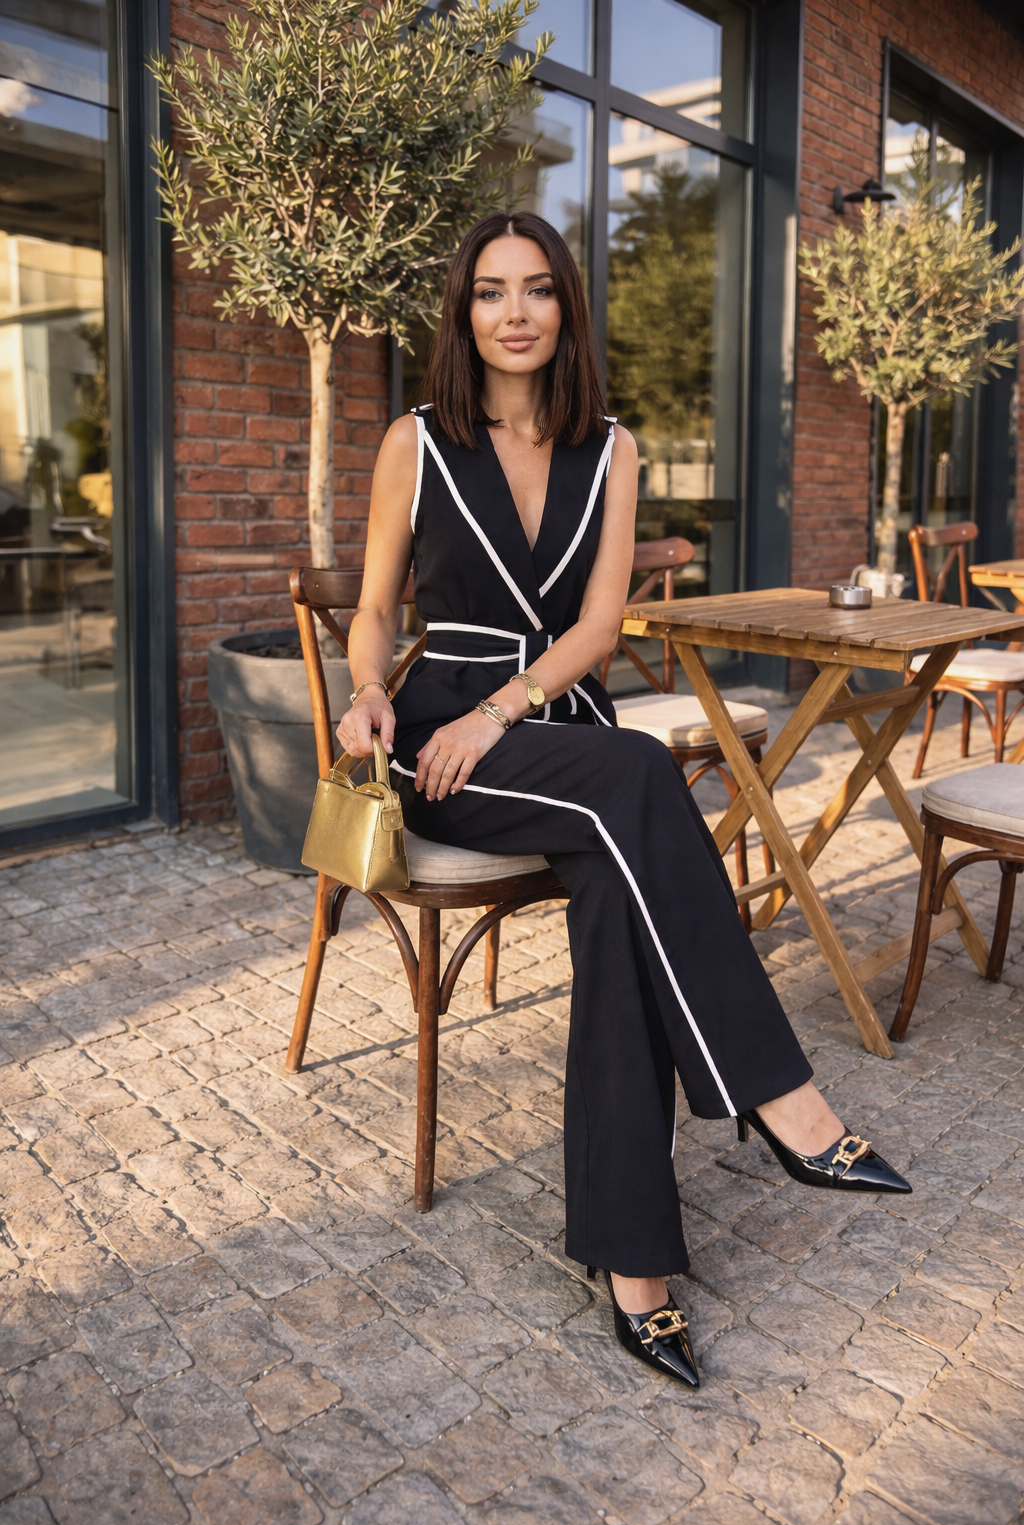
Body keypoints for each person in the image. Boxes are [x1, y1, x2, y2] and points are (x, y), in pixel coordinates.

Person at [337, 210, 910, 1390]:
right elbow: (377, 609)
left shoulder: (613, 447)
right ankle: (784, 1101)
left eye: (537, 290)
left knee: (620, 883)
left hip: (561, 738)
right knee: (645, 778)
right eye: (490, 291)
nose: (513, 312)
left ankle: (632, 1266)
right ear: (463, 311)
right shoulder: (416, 441)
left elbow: (600, 629)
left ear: (565, 310)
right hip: (447, 742)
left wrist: (517, 705)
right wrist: (363, 692)